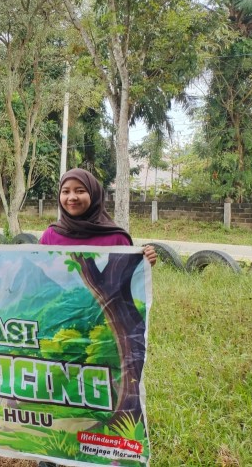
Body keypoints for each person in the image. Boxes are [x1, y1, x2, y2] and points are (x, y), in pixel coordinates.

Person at [36, 167, 155, 467]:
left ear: (94, 194)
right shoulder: (52, 234)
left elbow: (125, 285)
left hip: (105, 331)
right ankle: (50, 456)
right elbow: (34, 271)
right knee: (61, 388)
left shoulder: (114, 237)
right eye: (66, 191)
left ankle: (105, 452)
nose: (72, 197)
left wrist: (145, 260)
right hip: (62, 327)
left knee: (100, 388)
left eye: (79, 191)